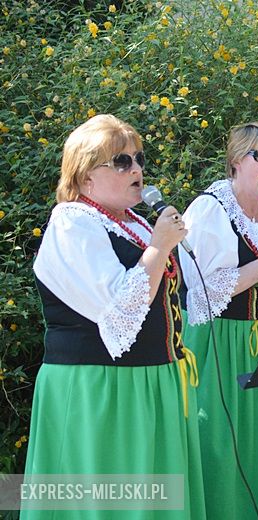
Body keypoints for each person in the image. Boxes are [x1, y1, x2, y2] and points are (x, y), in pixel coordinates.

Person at [25, 114, 205, 519]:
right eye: (122, 162)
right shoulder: (72, 221)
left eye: (139, 158)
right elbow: (117, 310)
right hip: (100, 388)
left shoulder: (135, 224)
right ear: (86, 176)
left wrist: (157, 243)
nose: (137, 169)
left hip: (149, 382)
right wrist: (160, 247)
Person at [179, 122, 258, 520]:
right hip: (220, 340)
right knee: (219, 435)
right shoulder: (209, 209)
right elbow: (202, 292)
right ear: (236, 161)